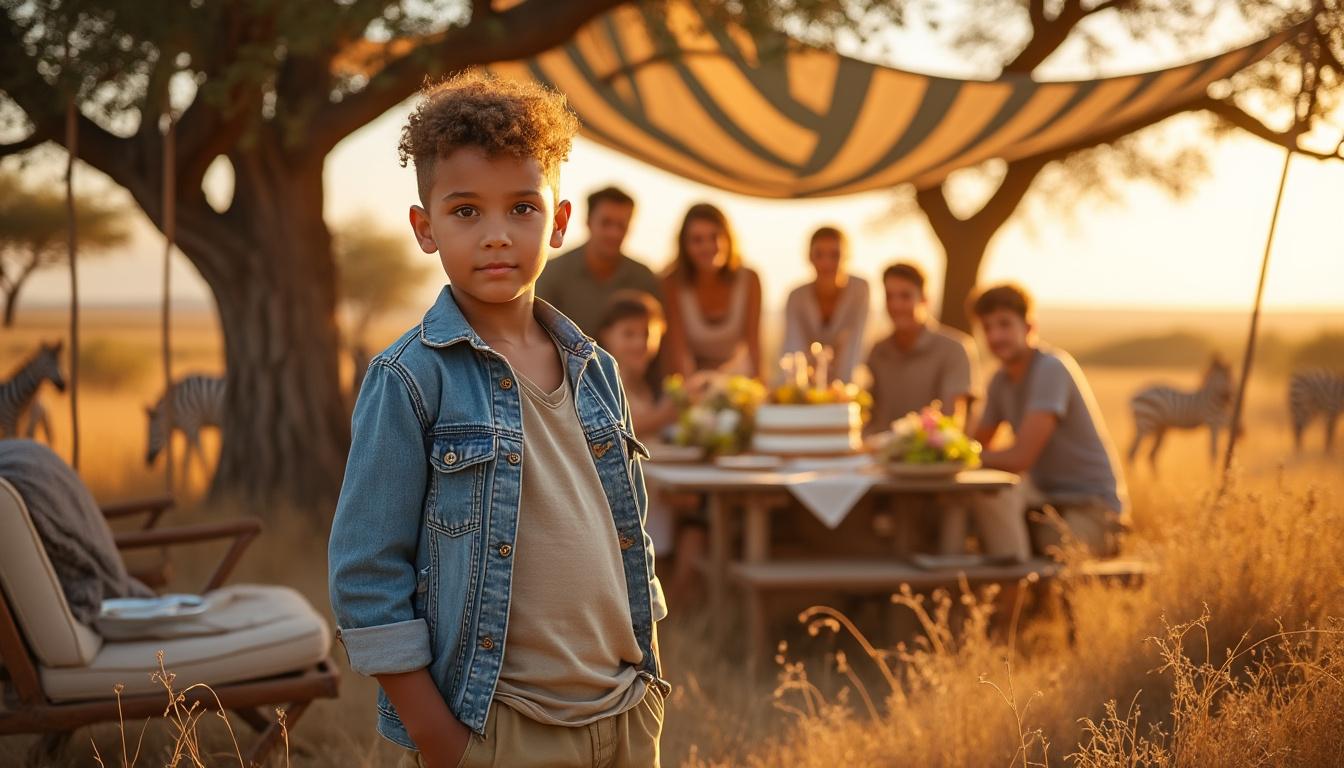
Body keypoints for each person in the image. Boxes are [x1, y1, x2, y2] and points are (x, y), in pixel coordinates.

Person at [328, 72, 668, 768]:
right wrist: (444, 744)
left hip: (623, 714)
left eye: (521, 208)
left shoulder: (595, 369)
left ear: (560, 221)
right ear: (424, 228)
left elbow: (625, 535)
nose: (496, 236)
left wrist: (645, 686)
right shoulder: (409, 381)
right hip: (496, 727)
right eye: (465, 212)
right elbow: (367, 580)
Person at [961, 283, 1129, 560]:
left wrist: (964, 457)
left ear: (1029, 327)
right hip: (1045, 505)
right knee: (977, 526)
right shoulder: (1000, 381)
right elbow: (977, 443)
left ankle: (1015, 598)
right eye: (988, 328)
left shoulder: (1051, 368)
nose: (996, 336)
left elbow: (1019, 458)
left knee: (1038, 543)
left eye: (1004, 325)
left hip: (1093, 510)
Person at [596, 291, 706, 605]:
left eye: (646, 334)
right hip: (626, 490)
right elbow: (623, 430)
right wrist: (668, 413)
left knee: (697, 522)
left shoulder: (649, 385)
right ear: (607, 335)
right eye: (628, 334)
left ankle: (681, 603)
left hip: (657, 482)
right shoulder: (603, 380)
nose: (639, 343)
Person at [864, 262, 980, 436]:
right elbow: (869, 414)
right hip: (878, 455)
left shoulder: (955, 349)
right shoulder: (878, 351)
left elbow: (952, 423)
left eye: (905, 296)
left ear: (925, 299)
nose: (895, 305)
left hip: (930, 457)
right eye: (889, 296)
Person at [534, 186, 663, 337]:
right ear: (588, 221)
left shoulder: (644, 278)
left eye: (621, 225)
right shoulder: (553, 273)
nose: (614, 233)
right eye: (606, 223)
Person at [661, 203, 763, 379]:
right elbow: (677, 351)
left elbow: (754, 344)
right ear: (684, 246)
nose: (707, 247)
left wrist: (759, 387)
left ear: (728, 239)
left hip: (739, 381)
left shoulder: (750, 279)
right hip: (693, 380)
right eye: (697, 240)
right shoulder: (671, 283)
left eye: (714, 237)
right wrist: (690, 396)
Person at [780, 226, 870, 383]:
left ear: (847, 257)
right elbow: (794, 351)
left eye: (835, 255)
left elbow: (855, 348)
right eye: (819, 255)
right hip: (805, 386)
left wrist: (839, 393)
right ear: (809, 257)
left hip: (849, 386)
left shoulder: (860, 290)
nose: (826, 263)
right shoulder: (796, 297)